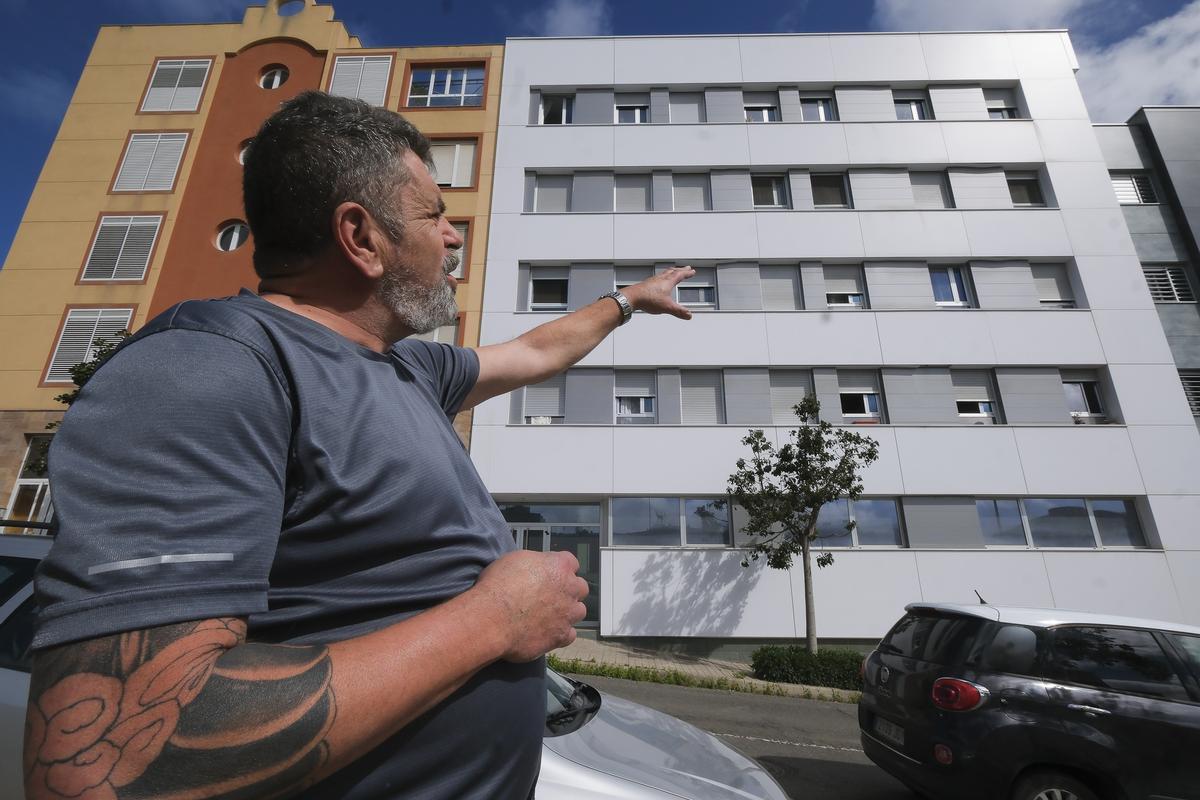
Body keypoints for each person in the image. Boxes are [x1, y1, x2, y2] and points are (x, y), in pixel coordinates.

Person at [24, 91, 694, 800]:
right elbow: (104, 762)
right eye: (435, 214)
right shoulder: (207, 370)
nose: (454, 235)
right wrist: (493, 622)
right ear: (361, 237)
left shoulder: (408, 368)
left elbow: (534, 353)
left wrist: (626, 302)